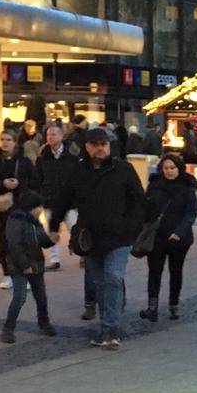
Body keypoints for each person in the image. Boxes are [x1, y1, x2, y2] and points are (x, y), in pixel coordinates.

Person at [47, 127, 144, 349]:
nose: (100, 148)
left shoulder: (123, 169)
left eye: (104, 144)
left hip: (119, 237)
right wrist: (54, 226)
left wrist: (132, 228)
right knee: (100, 283)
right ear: (87, 146)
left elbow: (138, 201)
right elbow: (63, 199)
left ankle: (111, 328)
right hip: (90, 238)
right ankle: (110, 318)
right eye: (95, 144)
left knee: (112, 276)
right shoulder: (79, 171)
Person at [140, 153, 197, 322]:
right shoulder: (155, 185)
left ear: (179, 168)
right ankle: (152, 307)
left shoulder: (187, 187)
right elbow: (146, 208)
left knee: (176, 271)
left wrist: (180, 231)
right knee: (154, 271)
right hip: (157, 236)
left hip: (179, 238)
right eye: (166, 168)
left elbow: (191, 213)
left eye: (172, 168)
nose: (169, 171)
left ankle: (174, 304)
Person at [0, 129, 37, 291]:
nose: (5, 143)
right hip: (0, 208)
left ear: (15, 142)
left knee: (21, 241)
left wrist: (19, 185)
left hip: (21, 206)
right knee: (3, 241)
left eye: (8, 140)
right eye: (2, 139)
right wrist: (2, 184)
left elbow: (35, 182)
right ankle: (7, 273)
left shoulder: (24, 162)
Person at [0, 190, 57, 343]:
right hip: (19, 266)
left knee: (41, 296)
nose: (41, 210)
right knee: (19, 297)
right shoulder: (15, 221)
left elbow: (42, 240)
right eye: (39, 207)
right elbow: (14, 246)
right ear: (31, 207)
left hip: (36, 264)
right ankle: (8, 328)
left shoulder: (35, 222)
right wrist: (25, 265)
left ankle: (44, 323)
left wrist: (51, 240)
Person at [36, 123, 80, 271]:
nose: (50, 137)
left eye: (54, 134)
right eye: (48, 135)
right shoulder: (43, 156)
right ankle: (55, 260)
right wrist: (40, 196)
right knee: (51, 230)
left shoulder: (72, 155)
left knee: (74, 227)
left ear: (62, 136)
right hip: (50, 199)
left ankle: (83, 254)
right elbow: (38, 178)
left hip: (70, 201)